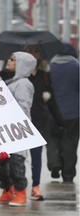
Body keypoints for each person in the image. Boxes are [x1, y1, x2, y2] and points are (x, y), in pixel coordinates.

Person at [0, 52, 37, 207]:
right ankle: (7, 191)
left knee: (16, 164)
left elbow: (23, 108)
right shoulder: (6, 80)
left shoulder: (23, 84)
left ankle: (20, 193)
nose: (9, 61)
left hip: (16, 132)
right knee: (2, 164)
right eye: (9, 58)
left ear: (22, 65)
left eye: (13, 59)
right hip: (3, 130)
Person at [25, 45, 64, 201]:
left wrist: (60, 120)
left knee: (36, 156)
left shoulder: (45, 75)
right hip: (21, 121)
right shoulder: (20, 75)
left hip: (40, 120)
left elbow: (51, 99)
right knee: (17, 158)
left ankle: (36, 186)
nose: (33, 55)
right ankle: (15, 187)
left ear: (40, 55)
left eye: (36, 52)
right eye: (30, 52)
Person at [48, 42, 79, 183]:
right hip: (73, 113)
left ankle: (55, 164)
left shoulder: (50, 67)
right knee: (70, 143)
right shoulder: (76, 67)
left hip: (53, 112)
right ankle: (68, 174)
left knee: (53, 139)